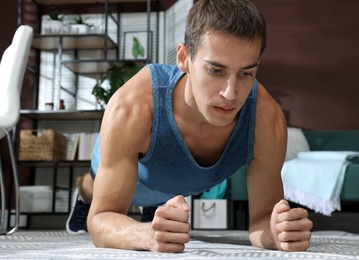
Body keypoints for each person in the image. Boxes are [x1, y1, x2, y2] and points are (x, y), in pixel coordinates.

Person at [66, 0, 313, 253]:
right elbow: (102, 217)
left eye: (245, 73)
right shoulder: (133, 106)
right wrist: (145, 235)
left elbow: (261, 219)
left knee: (162, 213)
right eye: (216, 70)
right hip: (135, 174)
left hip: (178, 185)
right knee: (94, 186)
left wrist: (276, 233)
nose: (231, 93)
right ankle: (84, 193)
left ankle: (160, 212)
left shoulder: (266, 119)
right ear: (184, 58)